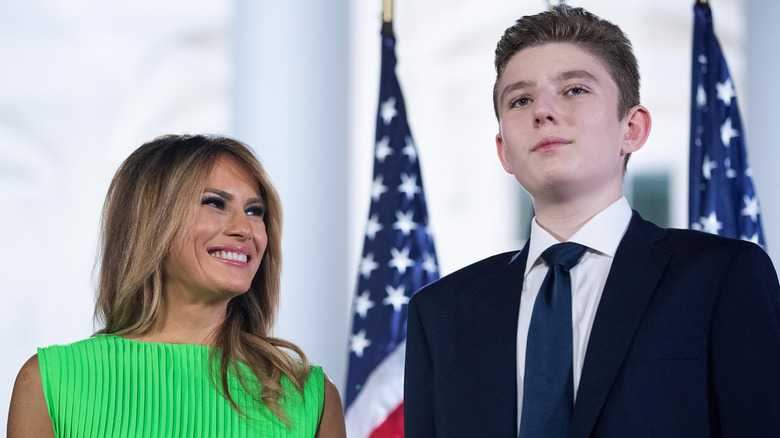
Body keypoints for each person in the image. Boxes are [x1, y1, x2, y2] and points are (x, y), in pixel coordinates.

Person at [404, 5, 780, 437]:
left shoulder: (722, 276)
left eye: (574, 90)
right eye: (521, 99)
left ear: (632, 128)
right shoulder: (439, 313)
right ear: (504, 150)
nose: (542, 112)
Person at [8, 134, 347, 437]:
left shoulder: (309, 396)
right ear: (152, 221)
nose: (245, 229)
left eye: (255, 211)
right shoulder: (50, 382)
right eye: (215, 203)